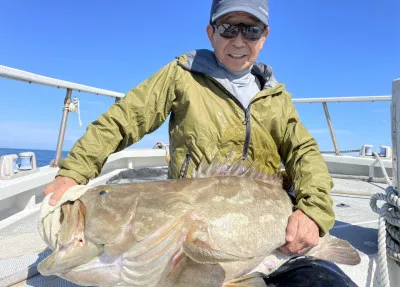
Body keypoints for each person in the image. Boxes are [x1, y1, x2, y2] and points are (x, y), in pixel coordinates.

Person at [44, 0, 334, 258]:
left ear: (265, 36)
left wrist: (313, 211)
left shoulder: (277, 98)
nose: (238, 41)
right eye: (228, 28)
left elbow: (303, 152)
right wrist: (74, 171)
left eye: (251, 30)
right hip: (190, 227)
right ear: (211, 33)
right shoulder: (182, 75)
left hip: (260, 221)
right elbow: (125, 118)